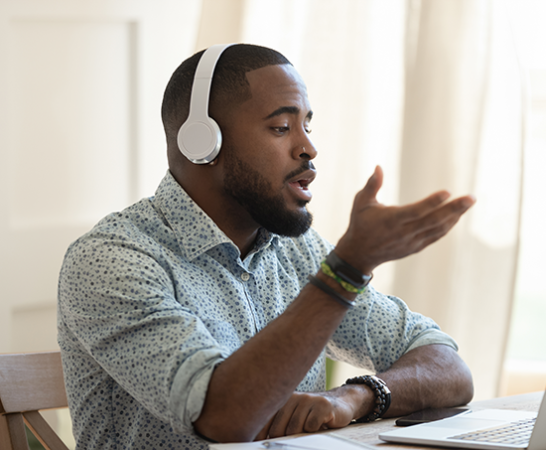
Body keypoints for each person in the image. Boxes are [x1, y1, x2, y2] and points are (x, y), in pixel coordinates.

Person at [57, 43, 476, 449]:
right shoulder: (111, 259)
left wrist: (356, 396)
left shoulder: (294, 250)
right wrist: (346, 269)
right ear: (203, 143)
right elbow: (224, 418)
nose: (308, 148)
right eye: (281, 127)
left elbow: (447, 366)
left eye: (307, 125)